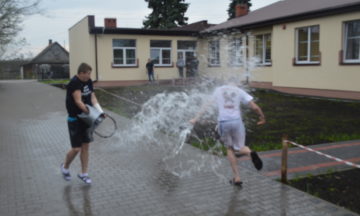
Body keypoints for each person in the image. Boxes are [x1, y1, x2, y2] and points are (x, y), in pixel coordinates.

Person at [190, 82, 265, 186]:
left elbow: (206, 105)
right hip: (237, 122)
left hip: (224, 123)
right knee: (241, 147)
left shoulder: (218, 90)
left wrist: (196, 118)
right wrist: (262, 117)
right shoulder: (239, 91)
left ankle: (237, 177)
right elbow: (255, 107)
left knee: (230, 148)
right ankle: (251, 154)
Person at [61, 62, 104, 184]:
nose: (89, 76)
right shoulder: (74, 83)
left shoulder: (89, 81)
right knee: (76, 149)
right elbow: (78, 102)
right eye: (87, 73)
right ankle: (65, 167)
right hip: (75, 119)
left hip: (86, 119)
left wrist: (100, 111)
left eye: (90, 73)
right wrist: (92, 114)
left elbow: (92, 97)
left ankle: (84, 174)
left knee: (86, 147)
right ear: (81, 73)